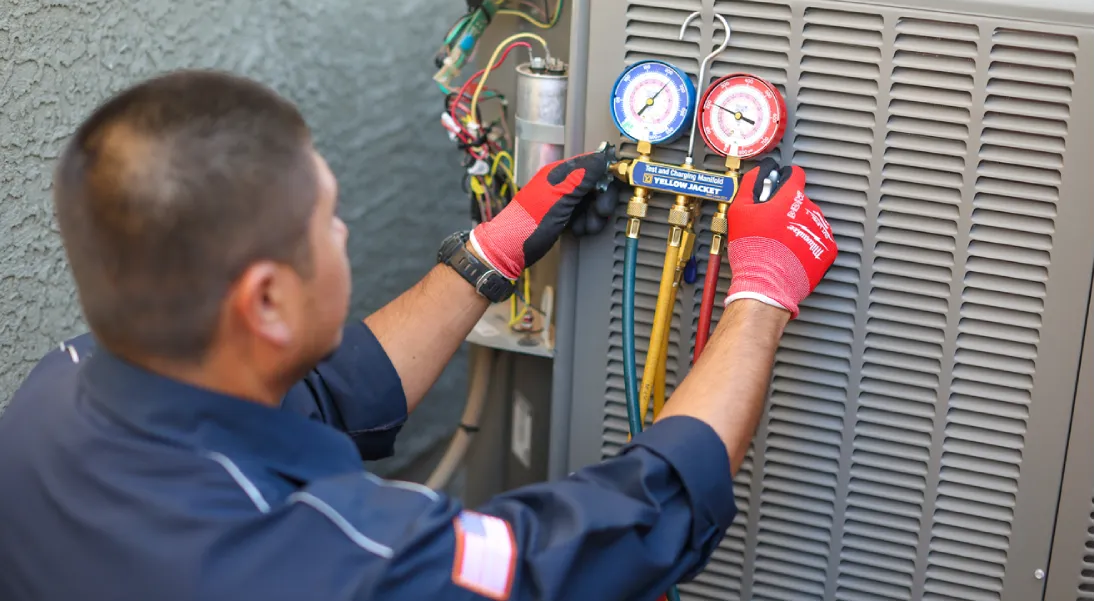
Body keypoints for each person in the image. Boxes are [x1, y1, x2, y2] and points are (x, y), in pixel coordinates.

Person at [0, 70, 836, 602]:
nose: (345, 233)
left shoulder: (51, 401)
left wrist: (487, 254)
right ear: (264, 299)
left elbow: (312, 396)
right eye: (327, 221)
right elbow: (593, 544)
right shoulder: (336, 563)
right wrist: (759, 293)